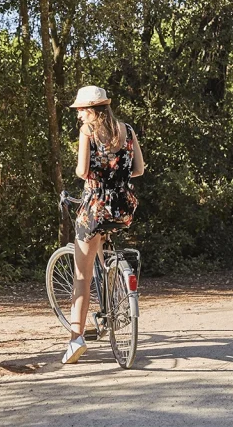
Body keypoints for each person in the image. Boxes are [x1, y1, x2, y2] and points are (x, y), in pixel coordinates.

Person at [63, 85, 145, 364]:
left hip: (95, 207)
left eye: (81, 111)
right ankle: (113, 298)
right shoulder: (128, 131)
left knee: (81, 276)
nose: (79, 117)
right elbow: (139, 169)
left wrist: (93, 173)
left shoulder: (88, 132)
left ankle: (75, 339)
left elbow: (82, 171)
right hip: (123, 207)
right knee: (104, 248)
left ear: (91, 110)